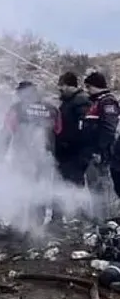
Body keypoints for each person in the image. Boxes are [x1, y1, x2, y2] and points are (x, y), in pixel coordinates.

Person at [0, 81, 62, 226]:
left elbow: (7, 131)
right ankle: (37, 223)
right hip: (46, 156)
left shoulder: (17, 108)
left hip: (23, 156)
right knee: (41, 187)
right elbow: (59, 130)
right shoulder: (51, 109)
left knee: (22, 186)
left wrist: (1, 152)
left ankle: (21, 223)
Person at [52, 72, 91, 221]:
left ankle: (79, 219)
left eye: (62, 86)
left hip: (75, 153)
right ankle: (58, 218)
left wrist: (78, 149)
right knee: (60, 185)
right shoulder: (68, 102)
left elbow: (85, 128)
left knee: (75, 187)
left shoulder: (81, 101)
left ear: (70, 86)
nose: (60, 89)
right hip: (65, 152)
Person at [81, 71, 119, 220]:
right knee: (94, 188)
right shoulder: (97, 102)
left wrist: (100, 150)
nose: (87, 90)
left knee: (101, 188)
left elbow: (109, 129)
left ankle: (107, 222)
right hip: (92, 152)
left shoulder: (107, 102)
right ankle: (99, 221)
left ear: (95, 86)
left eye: (88, 87)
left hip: (101, 154)